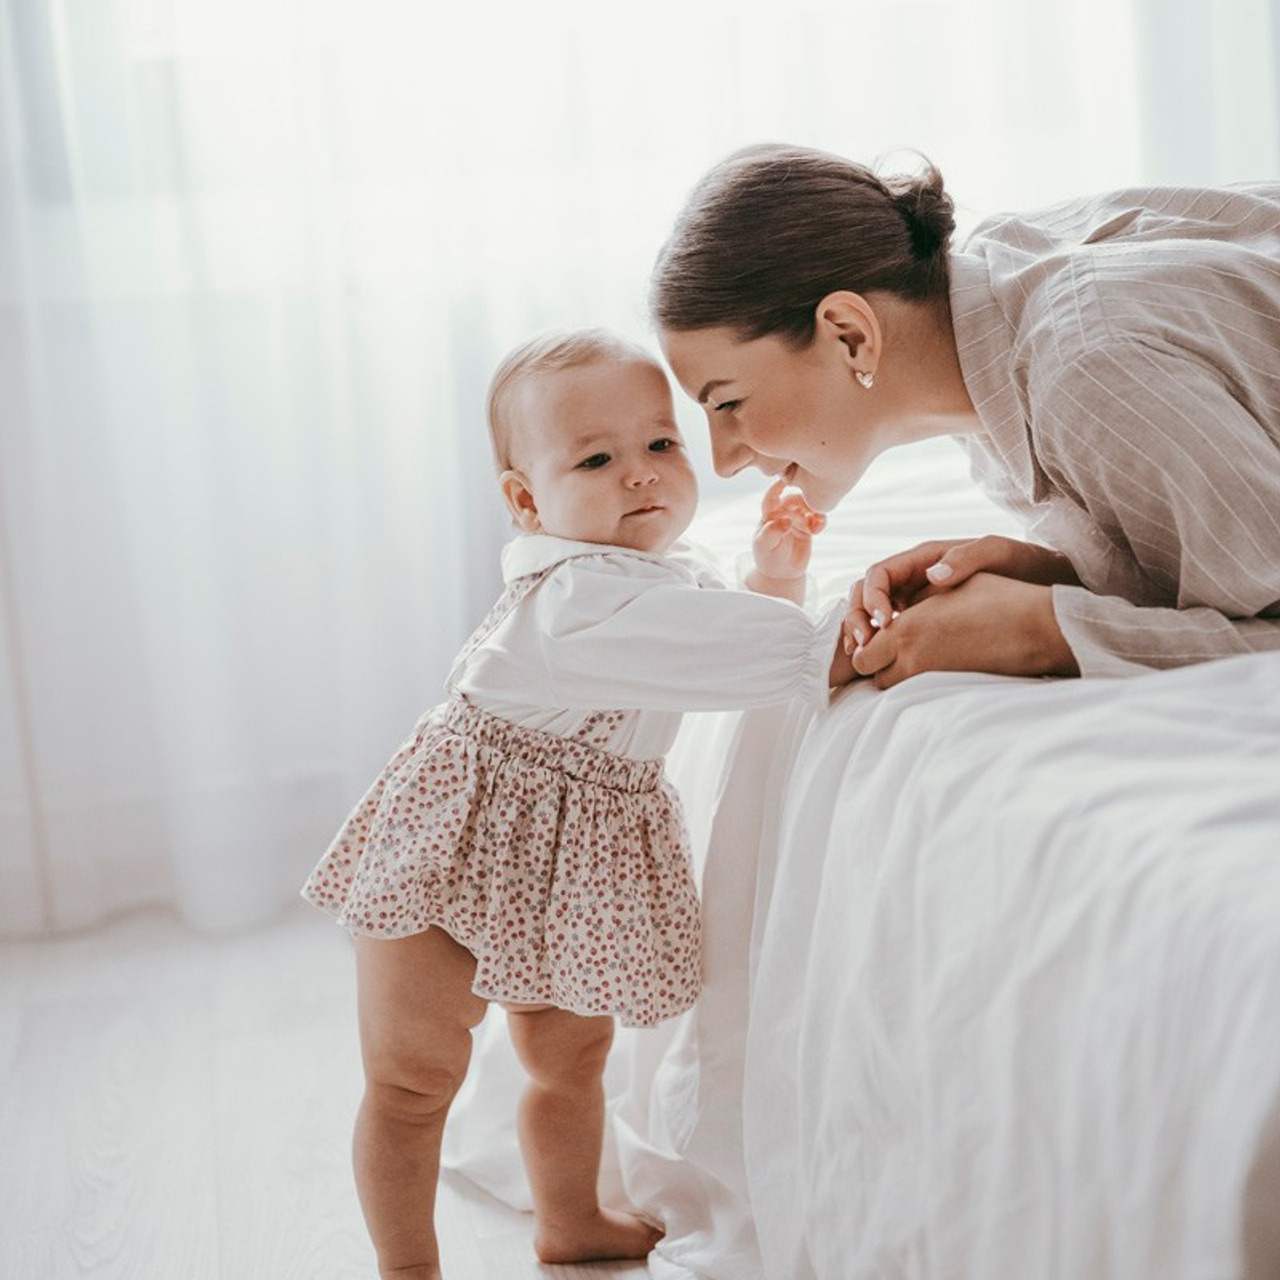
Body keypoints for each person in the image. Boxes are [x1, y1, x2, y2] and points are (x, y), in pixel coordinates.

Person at [302, 328, 854, 1279]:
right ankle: (407, 1268)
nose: (641, 475)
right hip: (460, 838)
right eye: (597, 459)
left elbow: (723, 639)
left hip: (581, 853)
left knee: (571, 1061)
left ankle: (571, 1221)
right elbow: (758, 654)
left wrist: (774, 571)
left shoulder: (671, 579)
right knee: (412, 1078)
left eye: (661, 446)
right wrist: (830, 630)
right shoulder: (577, 599)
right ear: (528, 501)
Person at [650, 143, 1280, 685]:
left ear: (848, 335)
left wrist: (1046, 634)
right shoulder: (986, 309)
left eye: (728, 402)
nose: (724, 463)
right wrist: (1050, 571)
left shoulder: (1085, 369)